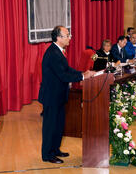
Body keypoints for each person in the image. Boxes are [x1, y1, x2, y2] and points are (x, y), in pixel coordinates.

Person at [38, 26, 95, 164]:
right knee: (50, 126)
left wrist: (82, 73)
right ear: (58, 38)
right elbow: (63, 75)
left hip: (59, 95)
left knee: (59, 125)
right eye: (67, 35)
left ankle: (55, 149)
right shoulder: (53, 53)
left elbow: (67, 69)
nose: (70, 37)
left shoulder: (59, 51)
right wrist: (82, 77)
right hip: (52, 96)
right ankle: (47, 154)